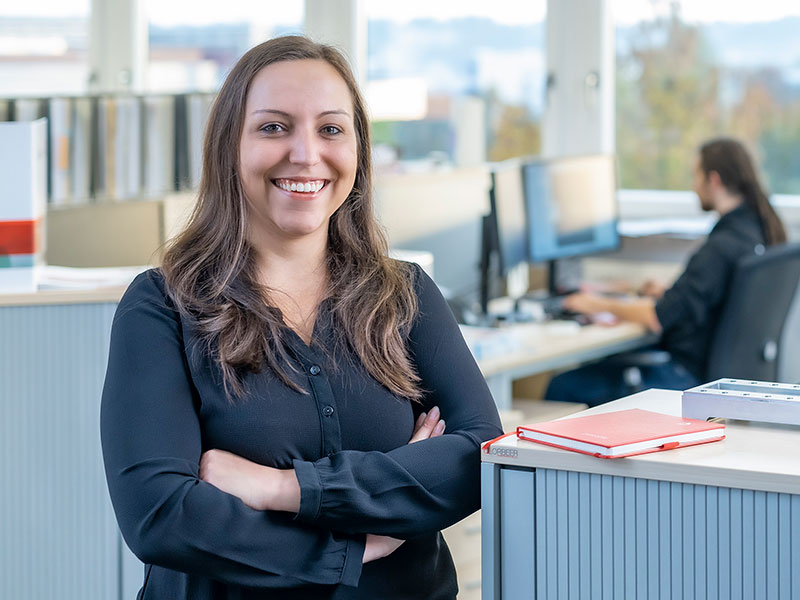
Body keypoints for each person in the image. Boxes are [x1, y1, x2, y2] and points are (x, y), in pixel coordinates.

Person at [100, 35, 503, 600]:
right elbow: (161, 515)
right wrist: (354, 543)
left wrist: (280, 488)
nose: (306, 154)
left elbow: (477, 456)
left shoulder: (405, 293)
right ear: (229, 147)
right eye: (273, 127)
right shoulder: (163, 307)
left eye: (331, 129)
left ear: (358, 149)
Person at [546, 137, 787, 406]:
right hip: (711, 374)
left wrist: (592, 303)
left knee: (562, 387)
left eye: (696, 176)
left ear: (714, 180)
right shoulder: (757, 231)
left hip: (685, 377)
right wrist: (671, 293)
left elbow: (656, 317)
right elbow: (711, 296)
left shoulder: (721, 247)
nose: (694, 186)